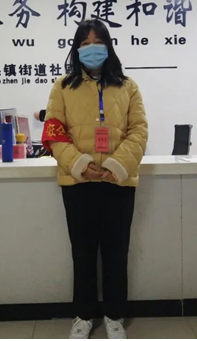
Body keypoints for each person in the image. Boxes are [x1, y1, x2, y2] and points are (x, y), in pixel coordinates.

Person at [42, 19, 148, 339]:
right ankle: (84, 316)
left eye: (98, 42)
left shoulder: (128, 86)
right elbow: (54, 132)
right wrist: (81, 165)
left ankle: (114, 316)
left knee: (117, 253)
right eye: (85, 43)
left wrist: (117, 166)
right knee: (83, 253)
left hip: (118, 184)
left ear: (109, 46)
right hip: (79, 184)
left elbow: (139, 131)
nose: (92, 48)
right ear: (76, 49)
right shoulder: (62, 86)